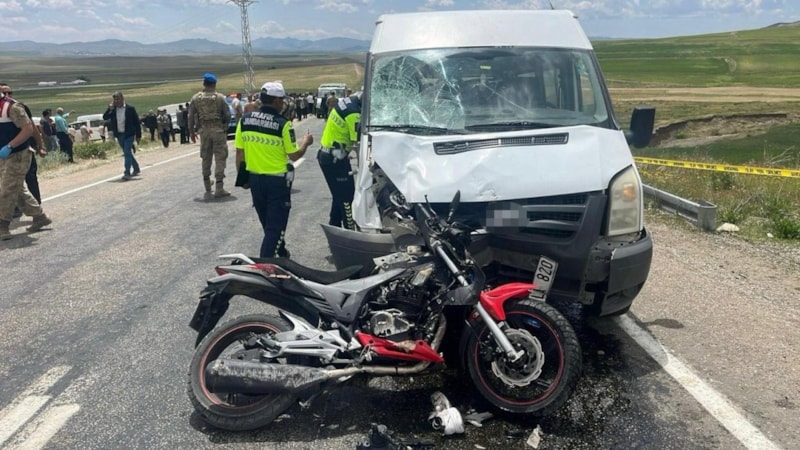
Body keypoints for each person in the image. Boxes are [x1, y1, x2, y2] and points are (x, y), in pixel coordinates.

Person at [235, 81, 313, 257]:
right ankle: (265, 266)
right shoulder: (283, 124)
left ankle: (282, 254)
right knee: (275, 227)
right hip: (277, 182)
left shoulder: (245, 120)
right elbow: (294, 155)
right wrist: (306, 142)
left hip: (255, 180)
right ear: (277, 101)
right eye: (282, 101)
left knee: (268, 224)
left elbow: (240, 153)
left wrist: (243, 179)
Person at [0, 86, 52, 240]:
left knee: (7, 189)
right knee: (17, 188)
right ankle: (39, 216)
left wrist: (10, 146)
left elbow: (28, 129)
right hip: (4, 156)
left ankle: (2, 225)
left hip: (18, 154)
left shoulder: (12, 107)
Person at [318, 93, 361, 230]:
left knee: (339, 194)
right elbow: (358, 143)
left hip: (329, 154)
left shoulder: (350, 101)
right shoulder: (353, 113)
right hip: (335, 158)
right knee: (347, 198)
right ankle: (350, 231)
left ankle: (334, 226)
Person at [188, 72, 232, 200]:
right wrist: (224, 127)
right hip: (218, 131)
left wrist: (191, 131)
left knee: (206, 157)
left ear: (204, 84)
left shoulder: (196, 98)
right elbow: (227, 115)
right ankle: (219, 187)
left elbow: (190, 116)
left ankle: (207, 185)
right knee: (220, 158)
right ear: (214, 84)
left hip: (204, 131)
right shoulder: (219, 98)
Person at [102, 91, 142, 181]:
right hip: (119, 134)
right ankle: (136, 168)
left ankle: (127, 172)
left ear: (122, 99)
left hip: (129, 134)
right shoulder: (113, 110)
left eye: (118, 99)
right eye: (115, 100)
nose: (116, 101)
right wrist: (110, 109)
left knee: (127, 151)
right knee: (127, 152)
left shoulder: (130, 109)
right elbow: (105, 117)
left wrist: (138, 135)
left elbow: (136, 122)